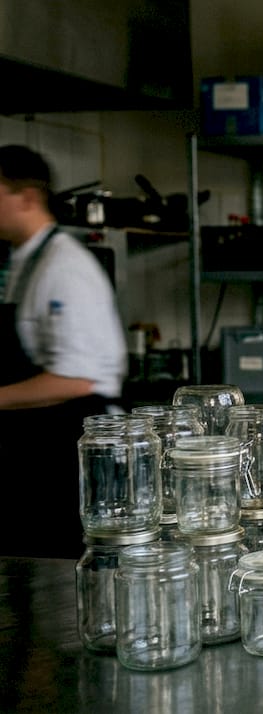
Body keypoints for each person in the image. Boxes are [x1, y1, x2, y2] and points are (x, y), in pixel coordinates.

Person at [0, 145, 127, 558]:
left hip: (69, 450)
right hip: (35, 447)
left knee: (56, 572)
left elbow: (76, 378)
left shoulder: (64, 267)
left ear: (27, 198)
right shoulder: (23, 261)